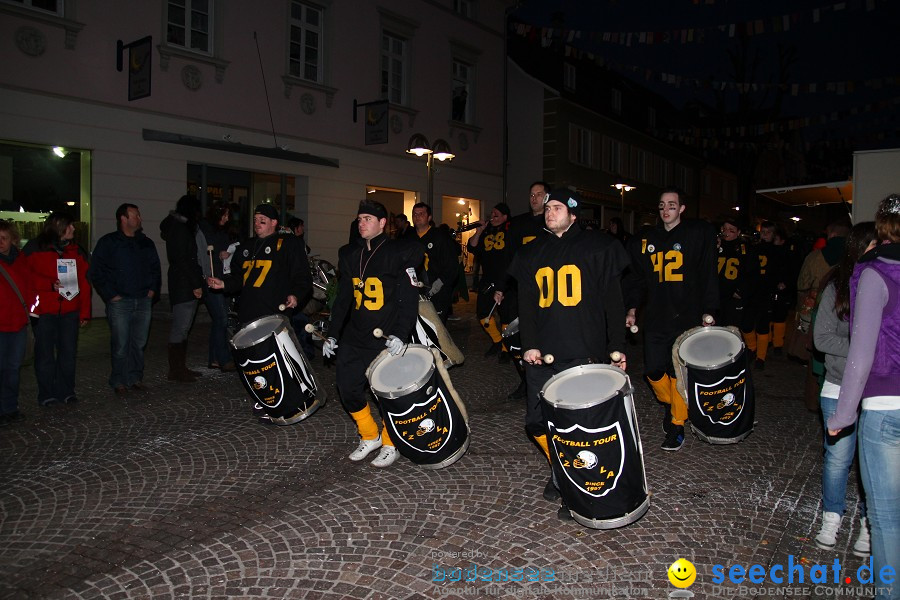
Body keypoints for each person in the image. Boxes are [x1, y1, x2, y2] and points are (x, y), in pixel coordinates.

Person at [507, 189, 629, 519]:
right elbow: (526, 305)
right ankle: (560, 470)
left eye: (557, 208)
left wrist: (616, 346)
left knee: (573, 426)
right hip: (543, 353)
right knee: (536, 422)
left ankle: (573, 485)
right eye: (547, 208)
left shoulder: (598, 247)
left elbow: (613, 303)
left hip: (582, 351)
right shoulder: (532, 252)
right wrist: (528, 343)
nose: (549, 212)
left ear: (573, 214)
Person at [828, 195, 900, 600]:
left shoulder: (874, 274)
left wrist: (843, 412)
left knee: (887, 517)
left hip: (887, 404)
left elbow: (862, 350)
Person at [325, 200, 424, 468]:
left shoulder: (398, 252)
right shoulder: (350, 255)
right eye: (359, 219)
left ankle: (391, 441)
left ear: (382, 224)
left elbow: (408, 298)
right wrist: (333, 334)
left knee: (387, 395)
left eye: (368, 218)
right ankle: (370, 435)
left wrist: (401, 335)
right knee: (347, 387)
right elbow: (344, 298)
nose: (361, 223)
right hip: (355, 336)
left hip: (385, 337)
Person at [624, 187, 719, 451]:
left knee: (679, 373)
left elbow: (708, 273)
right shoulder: (647, 239)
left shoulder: (696, 234)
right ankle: (672, 403)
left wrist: (709, 309)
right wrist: (632, 308)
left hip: (686, 315)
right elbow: (638, 279)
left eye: (672, 205)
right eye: (662, 205)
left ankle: (677, 424)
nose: (666, 210)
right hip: (656, 315)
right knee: (653, 371)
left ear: (682, 209)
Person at [811, 221, 875, 555]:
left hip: (877, 390)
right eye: (874, 245)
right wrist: (864, 346)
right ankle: (832, 517)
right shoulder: (838, 284)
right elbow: (821, 338)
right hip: (838, 383)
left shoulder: (887, 283)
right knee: (837, 459)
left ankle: (868, 524)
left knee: (871, 461)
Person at [89, 204, 162, 397]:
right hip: (120, 302)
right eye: (135, 215)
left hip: (142, 300)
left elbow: (155, 269)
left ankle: (134, 377)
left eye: (139, 215)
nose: (139, 219)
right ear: (123, 219)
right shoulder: (109, 243)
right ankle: (119, 380)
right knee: (121, 344)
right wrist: (111, 295)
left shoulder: (145, 243)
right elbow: (96, 271)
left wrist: (152, 290)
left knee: (138, 343)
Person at [21, 212, 91, 406]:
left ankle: (66, 391)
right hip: (44, 312)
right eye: (70, 225)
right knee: (44, 355)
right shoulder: (34, 248)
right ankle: (46, 394)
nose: (74, 229)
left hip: (70, 311)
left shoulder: (76, 251)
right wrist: (48, 284)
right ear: (59, 226)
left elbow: (84, 283)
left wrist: (85, 311)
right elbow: (23, 277)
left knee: (68, 354)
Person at [207, 203, 312, 325]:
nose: (257, 224)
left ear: (273, 222)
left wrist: (296, 294)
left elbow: (302, 275)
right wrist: (224, 284)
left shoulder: (287, 243)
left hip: (275, 312)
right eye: (255, 220)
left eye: (262, 220)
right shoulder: (246, 246)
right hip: (248, 312)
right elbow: (239, 278)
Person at [496, 181, 551, 400]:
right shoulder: (518, 224)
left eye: (539, 194)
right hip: (523, 289)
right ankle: (526, 380)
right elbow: (509, 258)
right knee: (516, 336)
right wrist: (501, 286)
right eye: (531, 195)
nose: (534, 198)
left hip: (548, 289)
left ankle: (546, 379)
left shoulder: (552, 223)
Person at [791, 221, 848, 412]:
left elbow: (802, 283)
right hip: (844, 311)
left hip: (815, 305)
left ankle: (813, 402)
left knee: (814, 357)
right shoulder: (852, 259)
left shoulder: (815, 257)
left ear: (830, 235)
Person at [160, 194, 205, 383]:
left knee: (183, 327)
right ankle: (176, 370)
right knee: (181, 327)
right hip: (183, 284)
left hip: (183, 282)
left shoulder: (179, 228)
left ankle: (180, 368)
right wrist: (195, 284)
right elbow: (183, 260)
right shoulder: (180, 230)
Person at [467, 202, 512, 360]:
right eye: (491, 214)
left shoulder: (511, 230)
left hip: (507, 278)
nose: (492, 217)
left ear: (505, 217)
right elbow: (472, 247)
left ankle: (507, 349)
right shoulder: (487, 231)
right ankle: (498, 341)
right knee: (482, 312)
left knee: (506, 315)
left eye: (496, 214)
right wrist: (479, 231)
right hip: (488, 279)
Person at [717, 218, 760, 362]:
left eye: (731, 230)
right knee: (716, 327)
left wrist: (741, 291)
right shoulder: (715, 246)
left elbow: (752, 274)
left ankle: (734, 357)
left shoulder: (744, 249)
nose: (727, 233)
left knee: (732, 329)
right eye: (725, 229)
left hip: (733, 297)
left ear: (738, 232)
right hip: (716, 295)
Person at [198, 201, 234, 372]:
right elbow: (202, 256)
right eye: (224, 215)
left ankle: (214, 358)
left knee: (219, 320)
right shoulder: (204, 231)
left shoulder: (221, 232)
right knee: (221, 319)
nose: (227, 219)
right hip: (211, 280)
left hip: (222, 278)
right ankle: (223, 358)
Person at [0, 221, 29, 424]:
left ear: (12, 240)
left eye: (4, 238)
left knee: (12, 369)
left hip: (17, 324)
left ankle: (10, 407)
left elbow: (30, 285)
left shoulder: (20, 260)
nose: (0, 242)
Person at [412, 202, 458, 322]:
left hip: (438, 291)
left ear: (429, 217)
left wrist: (440, 283)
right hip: (416, 291)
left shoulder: (440, 237)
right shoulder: (409, 238)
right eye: (415, 214)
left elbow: (451, 265)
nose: (417, 217)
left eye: (421, 214)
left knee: (436, 328)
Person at [755, 222, 792, 360]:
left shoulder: (781, 250)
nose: (764, 235)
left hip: (776, 288)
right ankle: (761, 347)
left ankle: (778, 344)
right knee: (762, 320)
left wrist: (784, 283)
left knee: (779, 316)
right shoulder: (756, 249)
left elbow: (787, 269)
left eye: (768, 232)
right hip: (760, 289)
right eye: (762, 231)